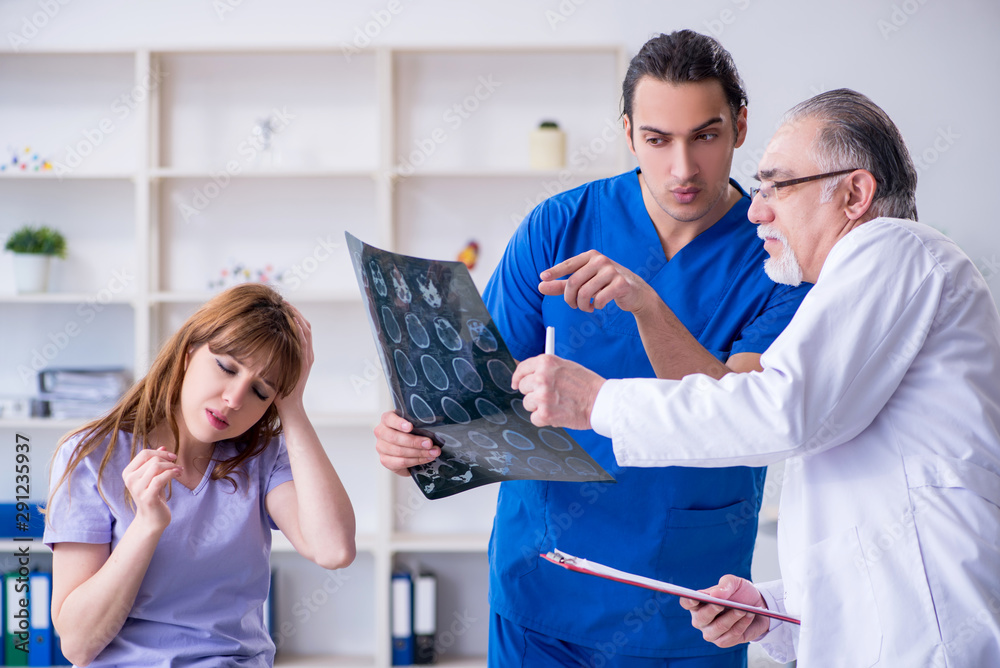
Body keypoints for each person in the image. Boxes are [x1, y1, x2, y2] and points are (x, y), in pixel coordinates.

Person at [512, 88, 1000, 666]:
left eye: (777, 186)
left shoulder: (895, 248)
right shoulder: (848, 296)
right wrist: (773, 610)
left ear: (854, 193)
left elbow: (779, 413)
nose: (756, 209)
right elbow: (868, 528)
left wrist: (599, 403)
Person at [374, 31, 810, 666]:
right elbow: (478, 393)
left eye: (705, 136)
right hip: (540, 586)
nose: (682, 168)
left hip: (685, 599)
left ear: (741, 127)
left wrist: (647, 307)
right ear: (629, 133)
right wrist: (414, 437)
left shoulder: (779, 255)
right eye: (658, 140)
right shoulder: (558, 225)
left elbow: (742, 417)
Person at [43, 283, 357, 667]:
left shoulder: (261, 457)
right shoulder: (92, 455)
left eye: (260, 392)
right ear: (188, 353)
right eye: (226, 367)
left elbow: (334, 549)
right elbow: (77, 645)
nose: (234, 399)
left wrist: (292, 405)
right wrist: (146, 526)